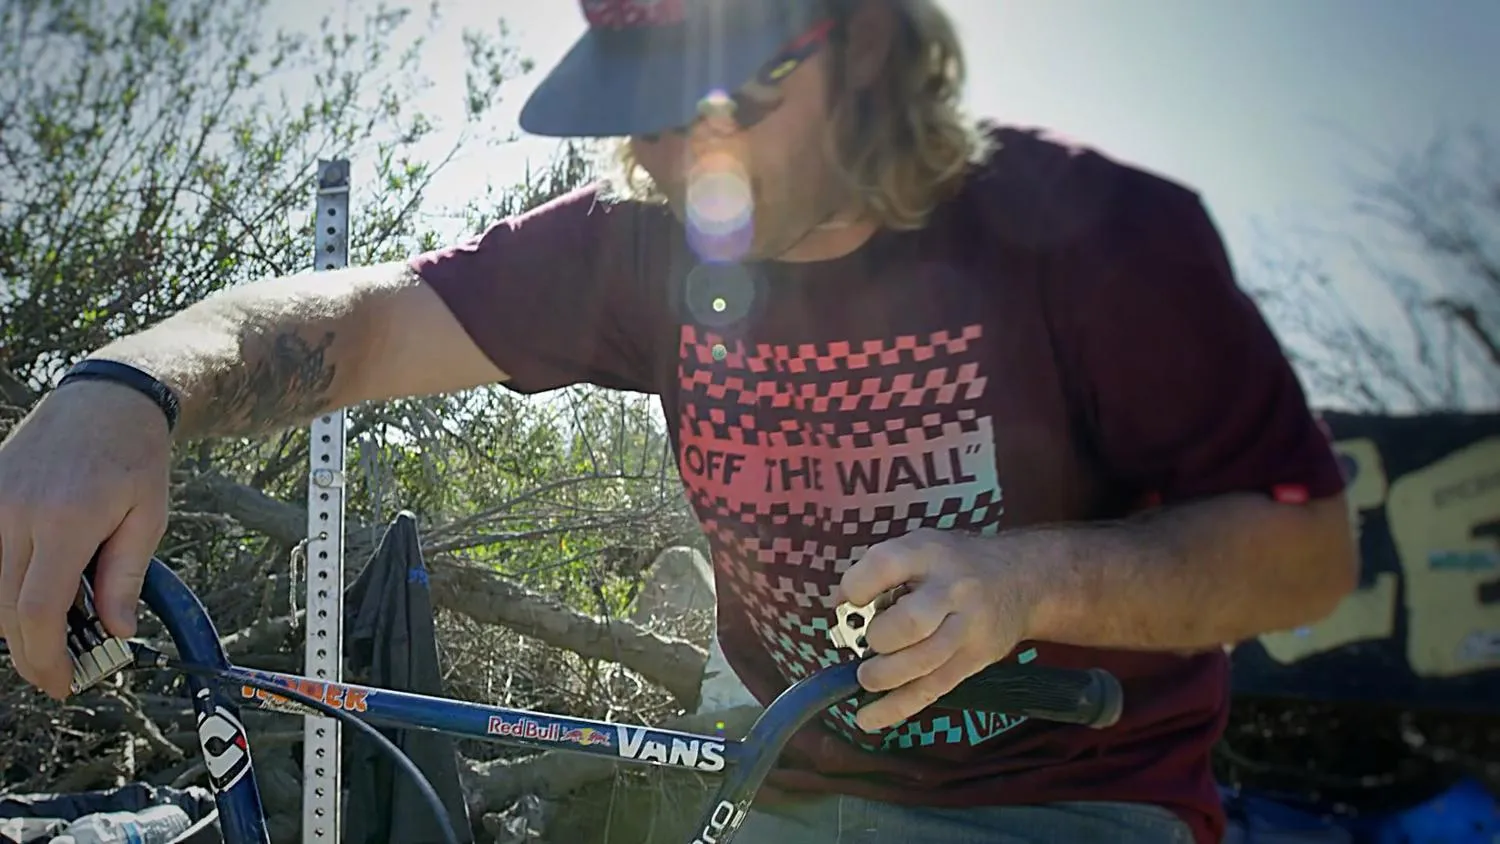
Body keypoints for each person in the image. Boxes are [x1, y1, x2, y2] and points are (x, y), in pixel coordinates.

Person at [0, 1, 1357, 842]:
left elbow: (1303, 554)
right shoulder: (640, 245)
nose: (680, 159)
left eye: (722, 101)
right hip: (782, 788)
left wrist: (1028, 582)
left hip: (1071, 798)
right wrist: (126, 385)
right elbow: (365, 321)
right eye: (645, 112)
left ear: (866, 42)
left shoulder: (1102, 239)